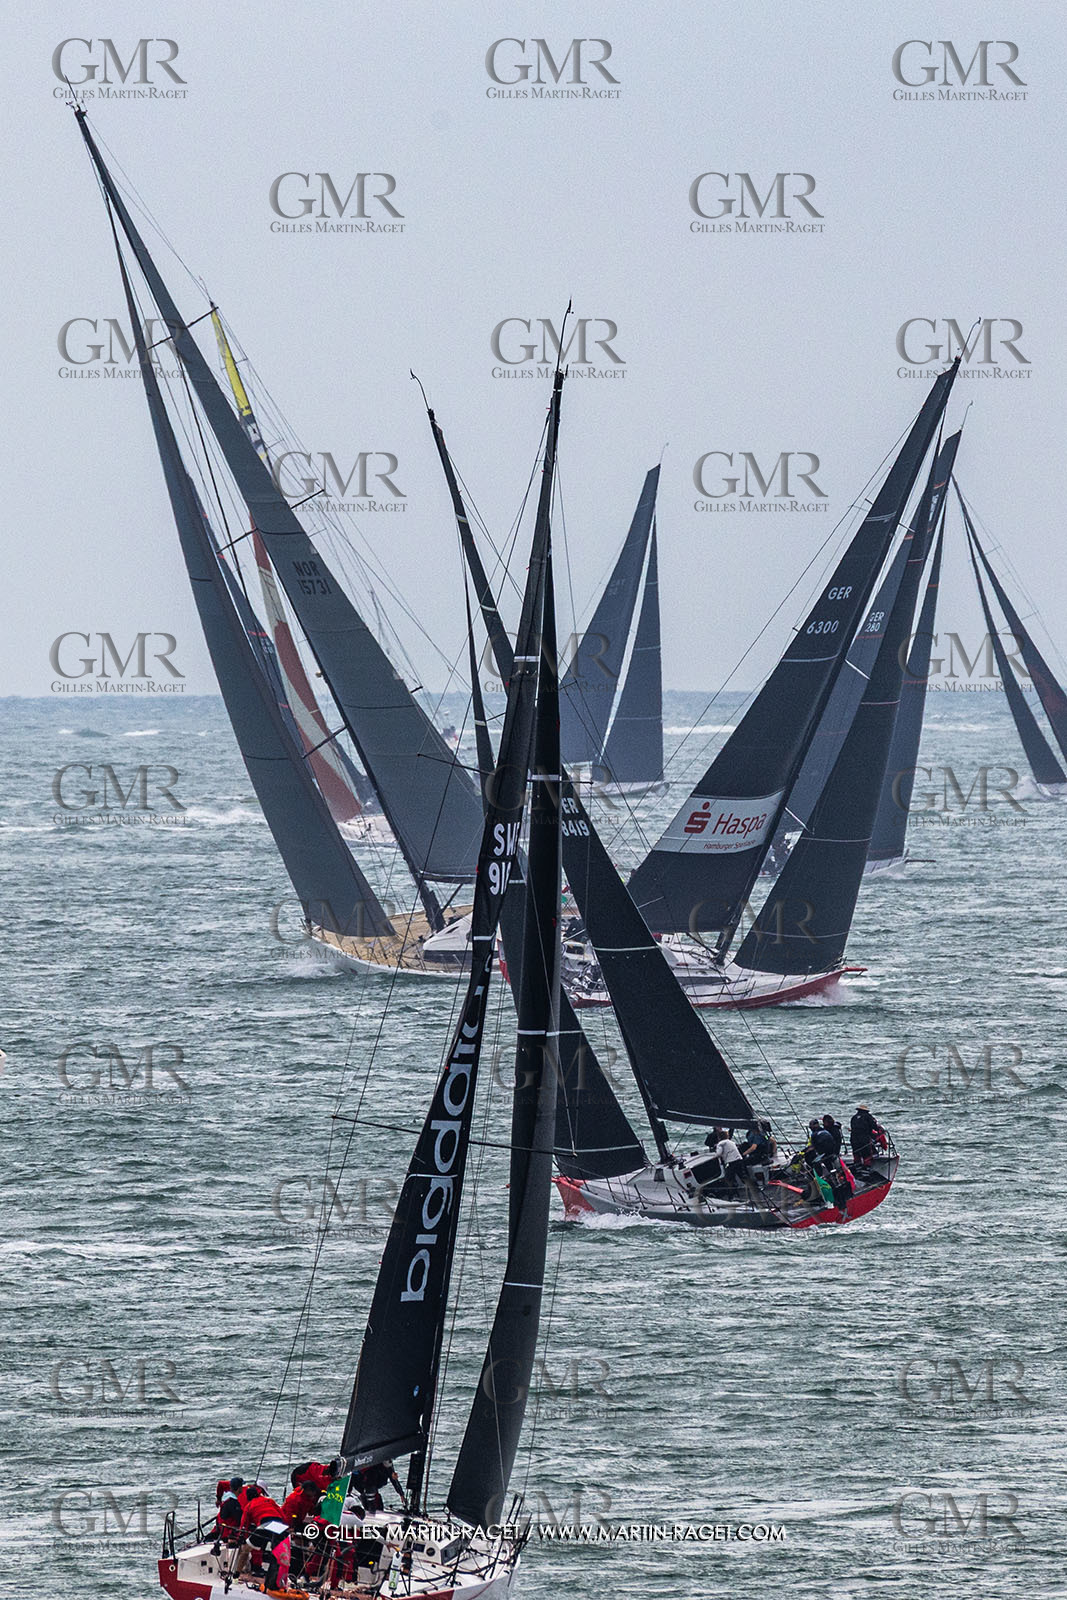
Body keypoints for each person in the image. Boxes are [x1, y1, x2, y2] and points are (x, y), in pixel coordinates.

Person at [235, 1487, 292, 1589]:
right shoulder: (270, 1500)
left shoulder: (249, 1505)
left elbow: (244, 1525)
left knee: (246, 1550)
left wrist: (240, 1537)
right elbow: (282, 1515)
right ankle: (278, 1580)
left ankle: (236, 1575)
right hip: (280, 1526)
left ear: (248, 1497)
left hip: (265, 1525)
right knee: (278, 1554)